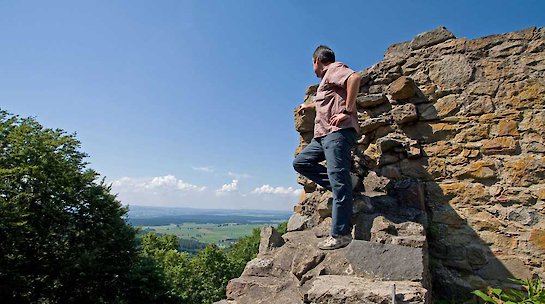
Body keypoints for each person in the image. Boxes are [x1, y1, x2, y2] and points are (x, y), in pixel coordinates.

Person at [293, 45, 361, 250]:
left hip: (336, 133)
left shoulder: (333, 69)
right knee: (301, 162)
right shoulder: (326, 82)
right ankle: (348, 182)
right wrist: (309, 105)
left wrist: (347, 112)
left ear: (317, 61)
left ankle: (340, 235)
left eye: (312, 63)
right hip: (322, 137)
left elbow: (354, 78)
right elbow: (326, 100)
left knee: (339, 183)